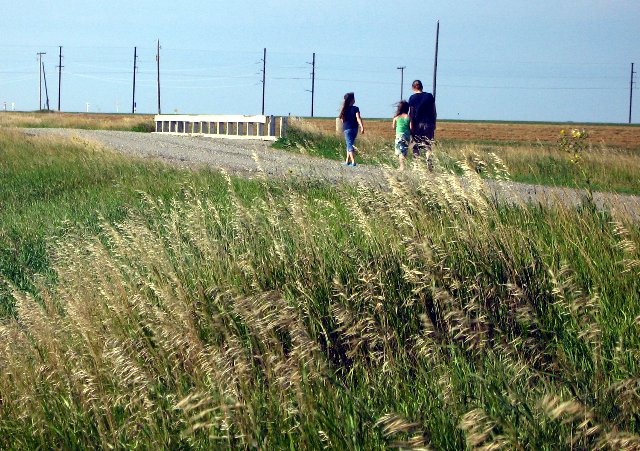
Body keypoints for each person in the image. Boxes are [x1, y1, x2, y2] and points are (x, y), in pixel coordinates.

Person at [408, 80, 437, 170]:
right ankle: (429, 161)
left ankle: (416, 165)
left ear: (413, 87)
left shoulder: (412, 98)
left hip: (417, 125)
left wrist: (410, 126)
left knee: (415, 145)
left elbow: (411, 114)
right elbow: (434, 111)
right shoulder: (429, 96)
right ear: (422, 87)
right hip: (428, 124)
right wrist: (434, 123)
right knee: (427, 145)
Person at [338, 92, 365, 166]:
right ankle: (347, 161)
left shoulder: (344, 109)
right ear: (352, 100)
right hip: (355, 128)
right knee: (350, 144)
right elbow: (358, 118)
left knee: (349, 145)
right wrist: (362, 126)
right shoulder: (356, 108)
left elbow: (341, 119)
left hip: (347, 128)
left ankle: (353, 161)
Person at [392, 100, 410, 170]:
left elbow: (393, 127)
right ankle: (402, 166)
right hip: (406, 136)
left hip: (399, 135)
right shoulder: (408, 117)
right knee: (404, 151)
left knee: (399, 151)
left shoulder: (396, 117)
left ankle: (402, 166)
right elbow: (411, 127)